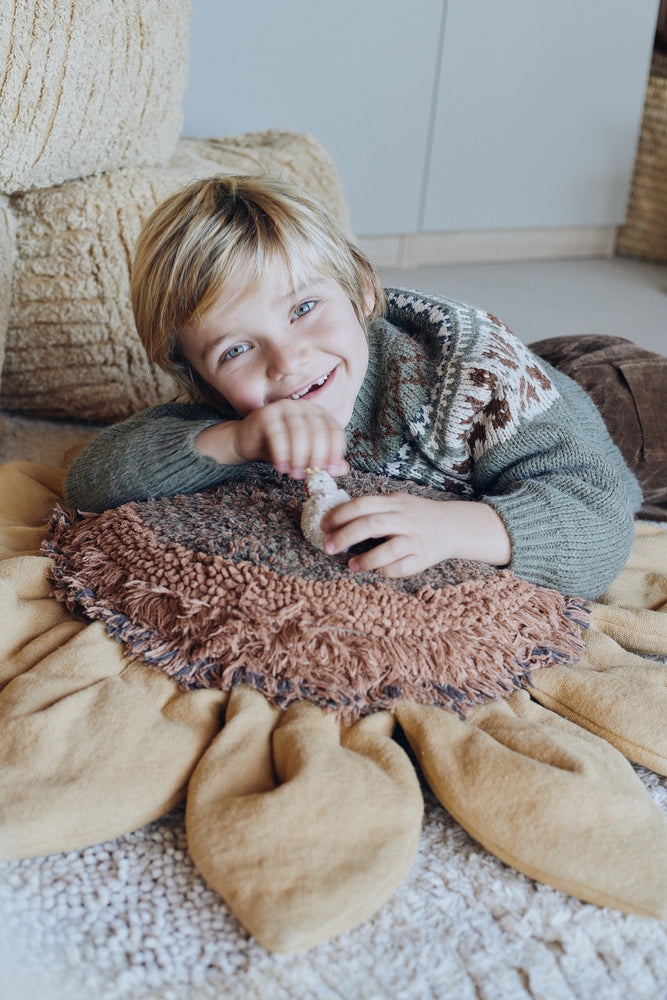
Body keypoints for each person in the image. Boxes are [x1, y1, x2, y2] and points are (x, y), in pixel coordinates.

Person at [64, 174, 645, 599]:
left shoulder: (478, 382)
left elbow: (602, 515)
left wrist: (450, 527)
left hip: (577, 400)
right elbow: (91, 481)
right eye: (236, 349)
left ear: (362, 290)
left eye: (305, 307)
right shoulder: (243, 415)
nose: (286, 362)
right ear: (201, 380)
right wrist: (235, 440)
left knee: (639, 405)